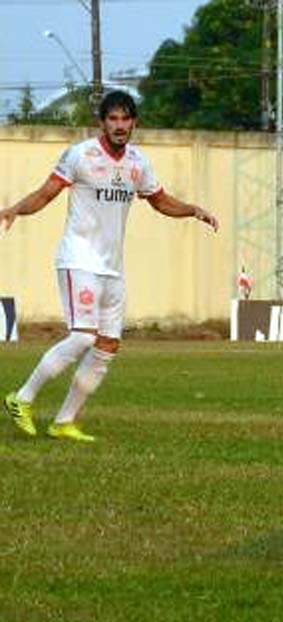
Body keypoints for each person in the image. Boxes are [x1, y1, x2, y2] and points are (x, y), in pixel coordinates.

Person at [2, 90, 218, 442]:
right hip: (79, 258)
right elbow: (45, 193)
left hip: (112, 266)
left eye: (125, 118)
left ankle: (64, 421)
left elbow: (159, 200)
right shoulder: (80, 155)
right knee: (83, 336)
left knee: (107, 345)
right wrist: (14, 210)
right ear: (101, 122)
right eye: (113, 119)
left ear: (134, 123)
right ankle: (21, 397)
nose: (119, 125)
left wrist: (193, 209)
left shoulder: (138, 162)